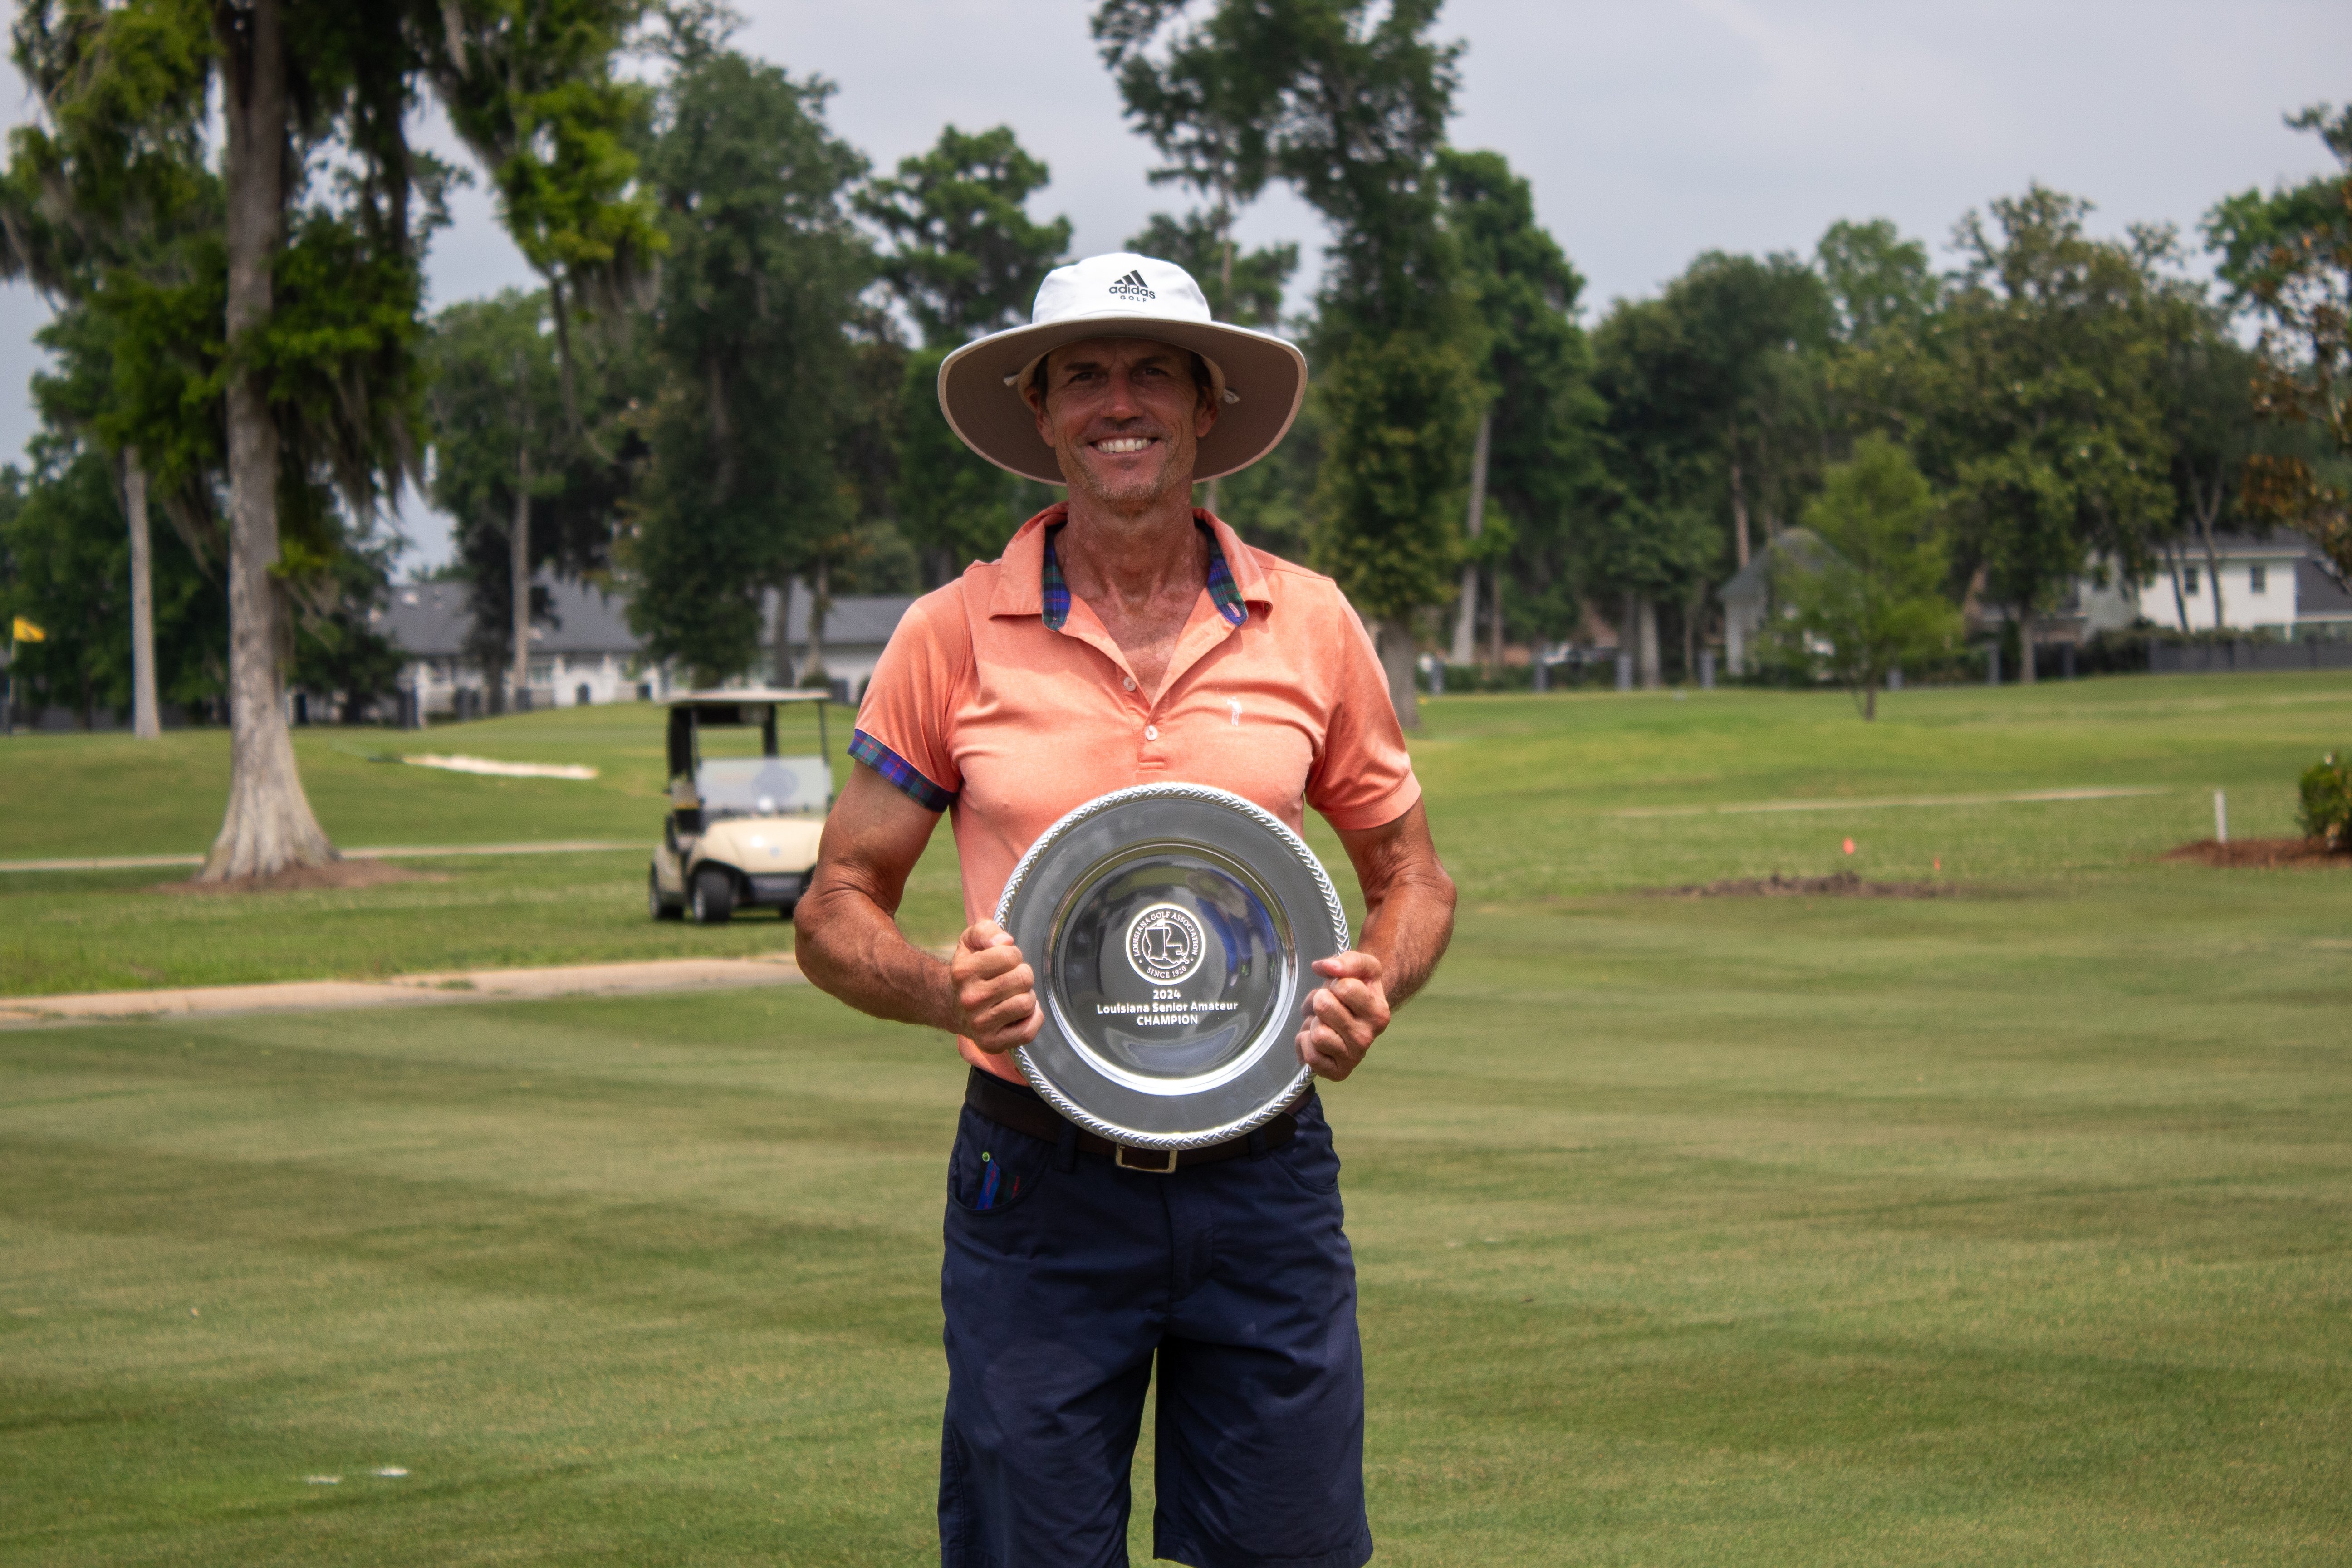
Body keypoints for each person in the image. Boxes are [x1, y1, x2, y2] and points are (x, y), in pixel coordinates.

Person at [795, 251, 1456, 1568]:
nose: (1120, 402)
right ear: (1038, 414)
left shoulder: (1309, 621)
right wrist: (940, 988)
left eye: (1152, 369)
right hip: (1036, 1179)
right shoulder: (950, 632)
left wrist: (1377, 977)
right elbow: (834, 903)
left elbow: (1414, 877)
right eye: (1083, 375)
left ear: (1208, 405)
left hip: (1264, 1175)